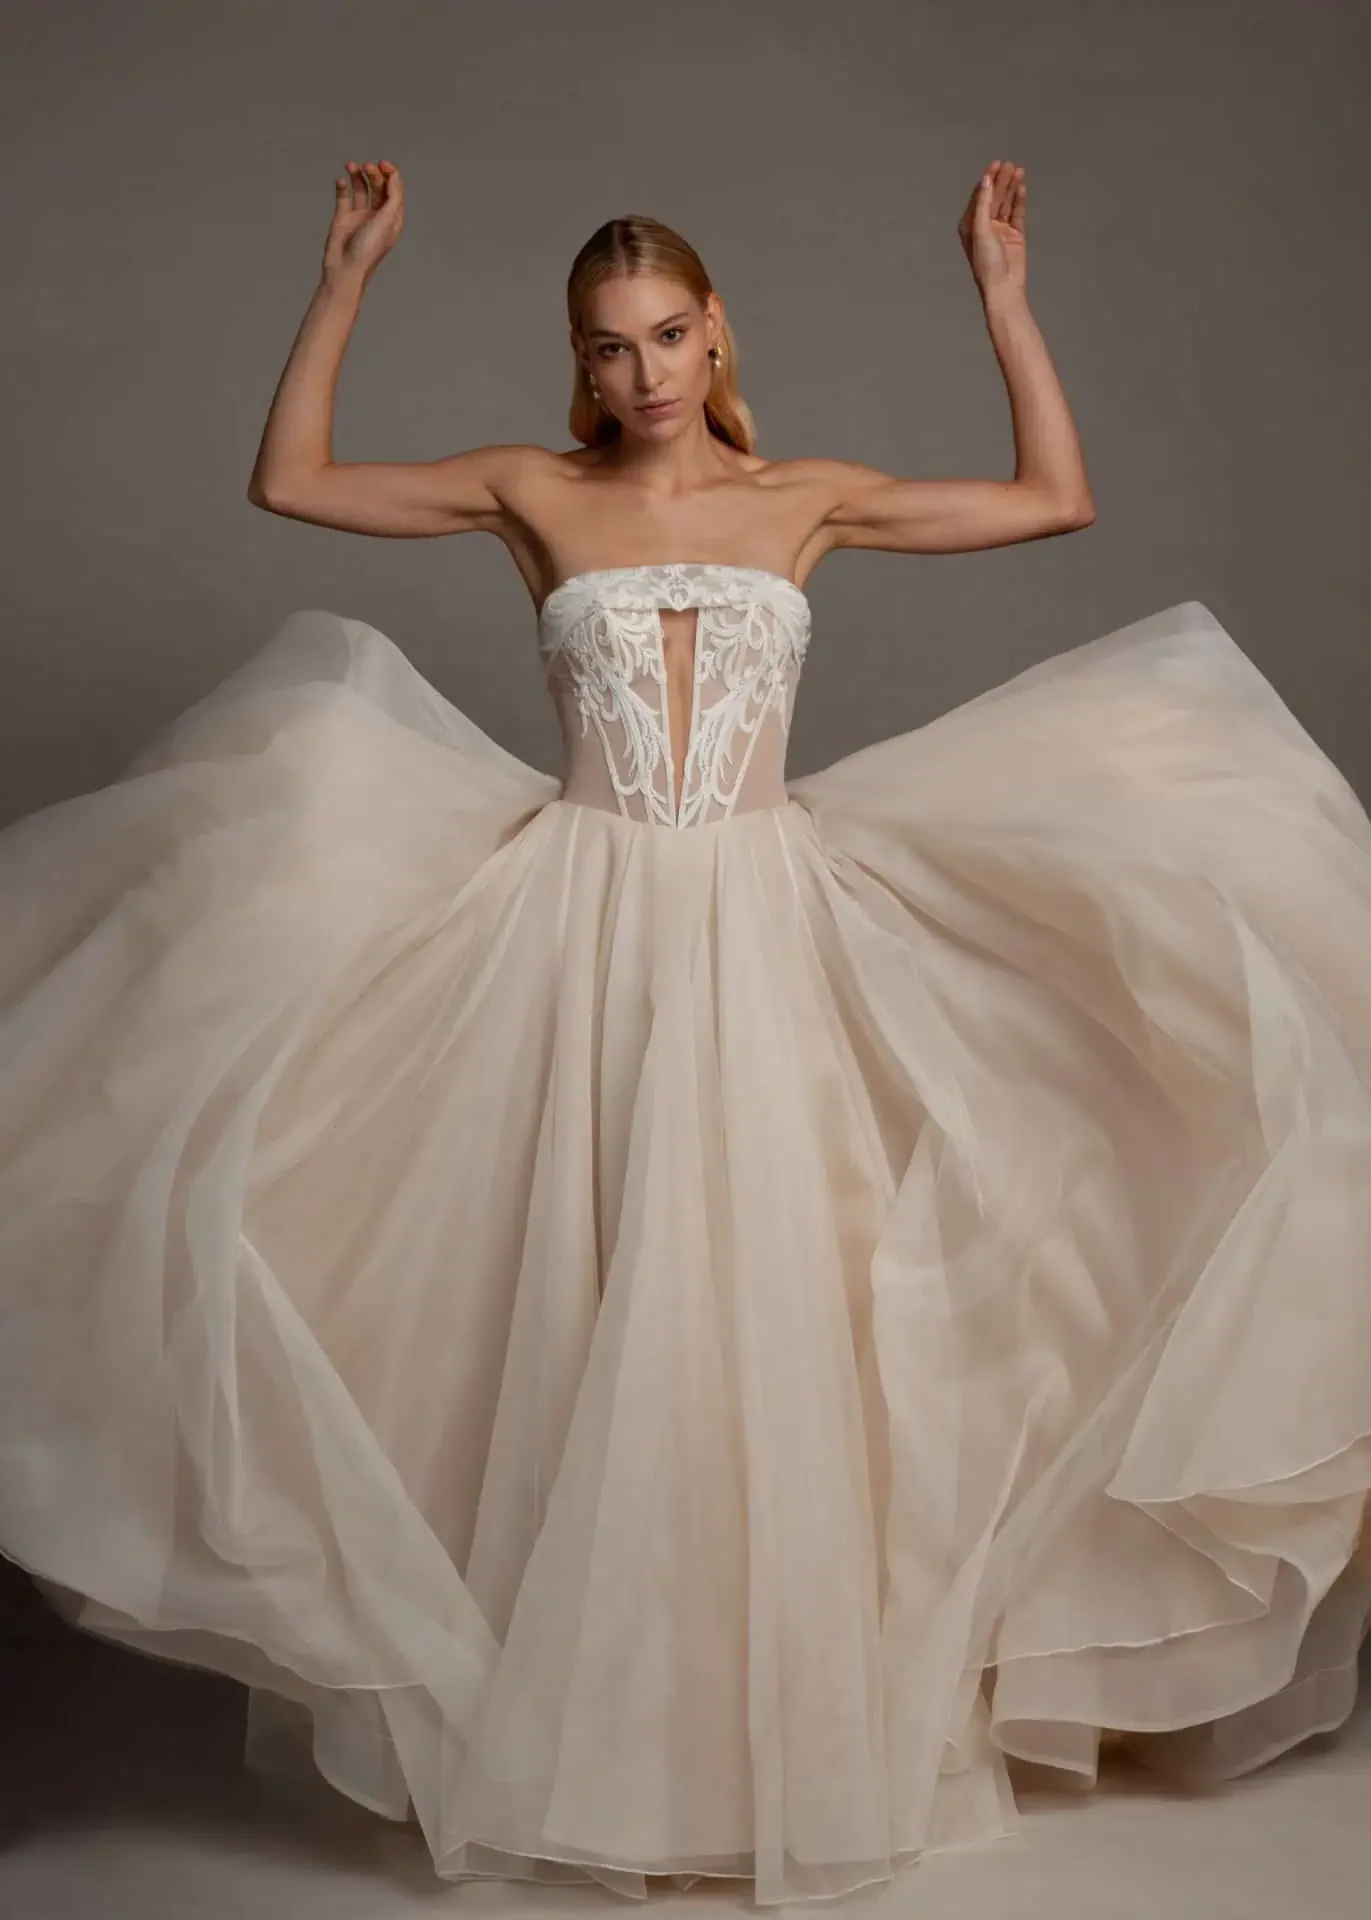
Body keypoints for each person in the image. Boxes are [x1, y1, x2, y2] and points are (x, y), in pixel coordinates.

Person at [1, 156, 1368, 1910]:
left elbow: (1052, 500)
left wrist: (1004, 303)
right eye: (605, 348)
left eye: (664, 335)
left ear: (714, 330)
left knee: (762, 1305)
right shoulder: (531, 492)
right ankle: (585, 1724)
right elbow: (291, 480)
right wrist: (343, 280)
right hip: (572, 916)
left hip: (758, 917)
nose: (639, 374)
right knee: (578, 1298)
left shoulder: (805, 498)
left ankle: (777, 1727)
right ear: (577, 364)